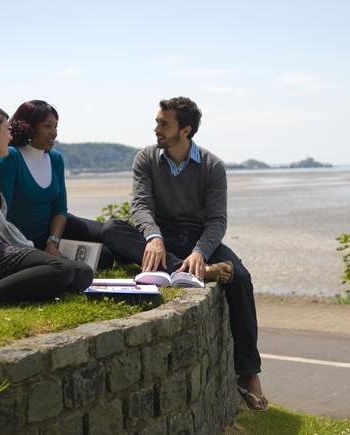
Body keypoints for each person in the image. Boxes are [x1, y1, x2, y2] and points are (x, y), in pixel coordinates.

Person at [103, 97, 268, 411]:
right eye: (157, 122)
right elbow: (140, 207)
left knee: (242, 278)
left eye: (164, 123)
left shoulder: (212, 166)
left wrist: (200, 251)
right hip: (161, 238)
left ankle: (248, 373)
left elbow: (217, 220)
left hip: (198, 237)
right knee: (111, 229)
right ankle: (196, 271)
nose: (156, 128)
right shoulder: (145, 159)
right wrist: (153, 237)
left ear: (186, 130)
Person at [0, 104, 93, 320]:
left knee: (83, 272)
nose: (11, 137)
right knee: (62, 270)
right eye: (6, 130)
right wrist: (32, 251)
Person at [0, 100, 113, 268]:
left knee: (112, 235)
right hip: (21, 241)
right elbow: (1, 213)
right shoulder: (11, 157)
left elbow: (60, 210)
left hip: (53, 232)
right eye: (47, 126)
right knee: (103, 258)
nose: (54, 133)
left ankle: (158, 257)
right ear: (28, 126)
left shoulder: (55, 158)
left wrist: (53, 242)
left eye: (56, 126)